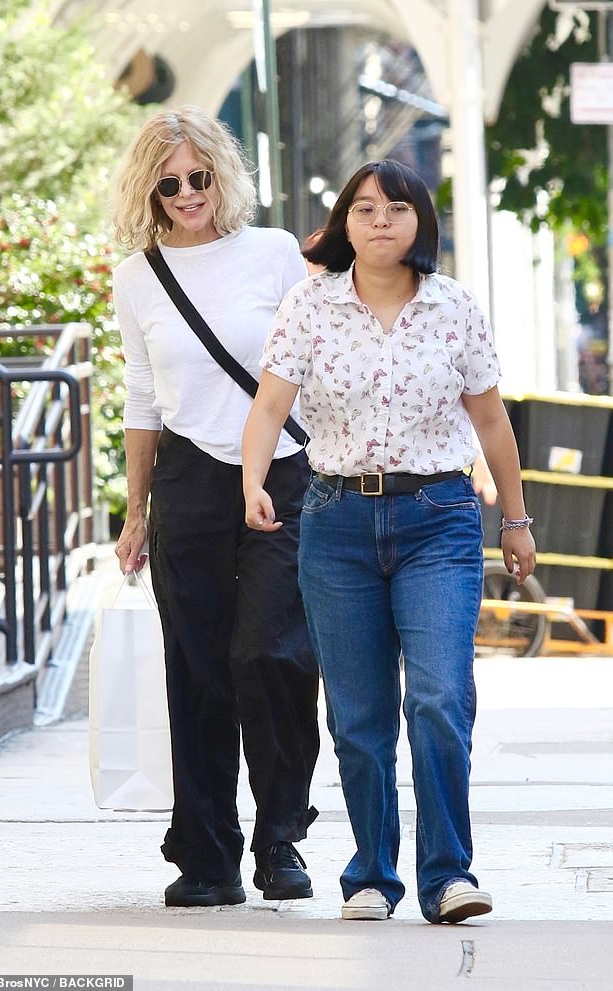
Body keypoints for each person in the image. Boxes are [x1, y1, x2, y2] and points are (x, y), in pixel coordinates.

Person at [242, 160, 536, 924]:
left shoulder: (453, 307)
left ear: (419, 223)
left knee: (439, 698)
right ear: (344, 221)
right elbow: (270, 405)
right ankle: (372, 872)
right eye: (364, 209)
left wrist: (516, 518)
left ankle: (448, 875)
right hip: (335, 521)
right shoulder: (310, 305)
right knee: (359, 713)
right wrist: (253, 481)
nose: (379, 222)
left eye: (395, 209)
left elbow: (493, 421)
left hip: (437, 516)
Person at [111, 105, 320, 908]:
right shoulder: (139, 276)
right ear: (149, 189)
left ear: (222, 174)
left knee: (271, 652)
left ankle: (280, 835)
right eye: (170, 184)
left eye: (200, 178)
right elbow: (140, 393)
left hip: (284, 472)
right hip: (189, 480)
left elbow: (313, 361)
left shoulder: (270, 253)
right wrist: (136, 510)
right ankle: (207, 854)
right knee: (196, 666)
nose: (188, 194)